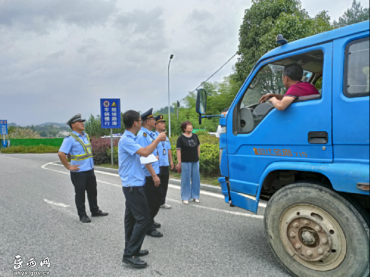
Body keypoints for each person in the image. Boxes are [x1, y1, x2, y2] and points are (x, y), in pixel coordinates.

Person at [118, 110, 167, 268]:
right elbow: (145, 151)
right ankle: (129, 254)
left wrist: (153, 157)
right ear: (135, 123)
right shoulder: (127, 139)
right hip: (133, 185)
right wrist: (159, 138)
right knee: (144, 219)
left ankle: (132, 249)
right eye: (140, 120)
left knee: (131, 219)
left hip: (134, 184)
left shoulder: (131, 138)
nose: (142, 122)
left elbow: (142, 156)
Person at [58, 114, 108, 223]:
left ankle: (95, 210)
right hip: (78, 171)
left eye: (82, 121)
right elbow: (61, 153)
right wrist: (68, 166)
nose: (82, 123)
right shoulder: (70, 139)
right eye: (79, 122)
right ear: (73, 125)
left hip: (89, 169)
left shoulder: (85, 136)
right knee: (80, 194)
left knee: (92, 191)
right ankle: (82, 215)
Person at [137, 109, 163, 238]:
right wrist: (153, 175)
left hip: (154, 171)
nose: (155, 121)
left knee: (156, 200)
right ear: (148, 121)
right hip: (148, 174)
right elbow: (145, 157)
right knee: (152, 201)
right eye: (153, 119)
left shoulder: (150, 134)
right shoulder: (142, 136)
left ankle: (150, 220)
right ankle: (147, 226)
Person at [175, 121, 201, 204]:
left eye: (191, 125)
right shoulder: (181, 138)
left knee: (196, 178)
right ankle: (185, 197)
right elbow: (178, 151)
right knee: (185, 179)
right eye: (188, 126)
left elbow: (198, 147)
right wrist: (179, 162)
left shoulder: (195, 136)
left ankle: (195, 196)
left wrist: (198, 156)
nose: (190, 127)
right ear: (184, 128)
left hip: (195, 161)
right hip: (185, 161)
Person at [154, 115, 174, 209]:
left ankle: (162, 202)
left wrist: (171, 161)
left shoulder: (166, 137)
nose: (163, 124)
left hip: (165, 164)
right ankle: (155, 202)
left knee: (164, 184)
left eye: (164, 123)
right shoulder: (152, 136)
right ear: (156, 125)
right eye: (161, 123)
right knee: (156, 184)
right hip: (157, 165)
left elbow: (168, 149)